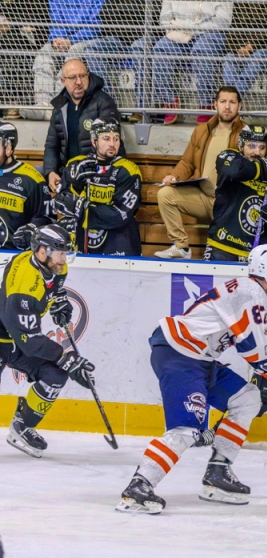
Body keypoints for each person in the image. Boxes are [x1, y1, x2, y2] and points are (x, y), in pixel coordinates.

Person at [116, 245, 267, 513]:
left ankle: (218, 472)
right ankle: (139, 486)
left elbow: (265, 346)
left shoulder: (250, 293)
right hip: (180, 354)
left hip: (198, 358)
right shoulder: (251, 293)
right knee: (186, 430)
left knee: (247, 398)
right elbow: (256, 353)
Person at [0, 224, 95, 459]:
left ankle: (22, 425)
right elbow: (29, 340)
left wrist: (59, 302)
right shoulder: (24, 283)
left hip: (15, 335)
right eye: (60, 252)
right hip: (9, 335)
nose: (64, 259)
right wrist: (65, 357)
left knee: (55, 374)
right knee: (61, 363)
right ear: (42, 251)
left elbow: (54, 288)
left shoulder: (54, 266)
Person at [154, 86, 247, 260]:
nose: (227, 106)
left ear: (239, 106)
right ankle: (181, 247)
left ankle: (241, 252)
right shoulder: (201, 130)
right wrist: (174, 176)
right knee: (165, 194)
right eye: (223, 102)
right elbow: (187, 162)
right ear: (215, 104)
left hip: (230, 203)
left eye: (232, 102)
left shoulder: (246, 133)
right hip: (204, 198)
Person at [54, 118, 142, 256]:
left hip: (118, 243)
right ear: (94, 141)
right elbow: (59, 202)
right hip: (82, 240)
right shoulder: (75, 165)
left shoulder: (128, 170)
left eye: (116, 138)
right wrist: (76, 185)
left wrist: (80, 207)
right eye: (106, 138)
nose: (112, 144)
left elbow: (118, 215)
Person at [203, 125, 267, 262]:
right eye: (251, 146)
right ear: (241, 146)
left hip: (256, 256)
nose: (257, 152)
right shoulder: (229, 157)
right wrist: (264, 166)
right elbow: (236, 171)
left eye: (262, 147)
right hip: (222, 247)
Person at [43, 59, 123, 196]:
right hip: (66, 173)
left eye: (82, 76)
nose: (78, 82)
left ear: (88, 75)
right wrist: (50, 172)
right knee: (34, 181)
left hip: (97, 174)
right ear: (63, 81)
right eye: (72, 77)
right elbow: (51, 145)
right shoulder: (59, 105)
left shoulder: (103, 102)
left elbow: (111, 146)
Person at [152, 1, 232, 125]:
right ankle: (169, 101)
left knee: (202, 50)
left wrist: (194, 29)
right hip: (179, 32)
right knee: (160, 49)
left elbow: (223, 21)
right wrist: (181, 29)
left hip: (209, 33)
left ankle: (206, 104)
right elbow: (164, 19)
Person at [31, 0, 104, 114]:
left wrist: (71, 41)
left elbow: (95, 26)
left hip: (85, 39)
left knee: (72, 56)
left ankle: (59, 105)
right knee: (43, 54)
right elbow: (56, 22)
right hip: (62, 39)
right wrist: (56, 40)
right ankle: (43, 106)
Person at [0, 122, 51, 250]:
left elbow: (46, 217)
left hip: (13, 258)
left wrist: (32, 229)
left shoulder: (31, 179)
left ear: (8, 148)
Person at [0, 0, 49, 119]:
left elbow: (39, 31)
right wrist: (19, 28)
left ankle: (13, 105)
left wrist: (13, 28)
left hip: (26, 48)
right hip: (10, 45)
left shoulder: (34, 4)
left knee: (13, 41)